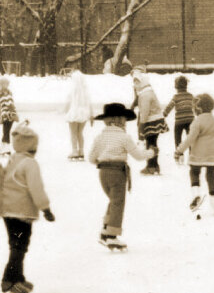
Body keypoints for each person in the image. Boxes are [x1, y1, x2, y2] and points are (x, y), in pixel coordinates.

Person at [87, 102, 156, 250]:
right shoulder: (124, 137)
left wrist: (103, 161)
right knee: (118, 202)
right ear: (119, 120)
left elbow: (91, 158)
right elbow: (138, 155)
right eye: (124, 119)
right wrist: (152, 152)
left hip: (103, 173)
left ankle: (106, 229)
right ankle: (112, 236)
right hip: (118, 172)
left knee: (113, 201)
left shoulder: (100, 137)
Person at [0, 123, 54, 293]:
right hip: (21, 212)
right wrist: (45, 208)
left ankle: (18, 277)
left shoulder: (13, 160)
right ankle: (9, 280)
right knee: (19, 246)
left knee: (15, 245)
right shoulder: (30, 163)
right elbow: (36, 188)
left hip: (7, 211)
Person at [177, 94, 214, 218]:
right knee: (211, 174)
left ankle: (196, 193)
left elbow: (190, 139)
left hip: (198, 154)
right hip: (212, 154)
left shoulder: (197, 122)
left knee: (194, 172)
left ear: (199, 108)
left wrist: (179, 150)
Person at [131, 70, 167, 175]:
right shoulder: (145, 92)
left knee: (150, 144)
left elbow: (145, 111)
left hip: (152, 121)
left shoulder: (146, 94)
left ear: (143, 82)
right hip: (154, 120)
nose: (135, 84)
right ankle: (154, 165)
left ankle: (151, 166)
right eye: (134, 82)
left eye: (137, 82)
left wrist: (142, 124)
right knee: (152, 144)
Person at [164, 76, 196, 164]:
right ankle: (192, 155)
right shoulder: (190, 96)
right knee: (191, 138)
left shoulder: (176, 97)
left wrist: (164, 115)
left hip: (179, 121)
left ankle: (180, 155)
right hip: (190, 120)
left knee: (177, 138)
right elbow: (196, 105)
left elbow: (169, 107)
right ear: (186, 86)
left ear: (176, 87)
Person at [63, 70, 93, 160]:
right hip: (84, 113)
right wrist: (91, 115)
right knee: (80, 133)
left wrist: (64, 111)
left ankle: (74, 151)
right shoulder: (86, 91)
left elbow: (67, 103)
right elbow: (89, 104)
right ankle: (81, 151)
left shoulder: (73, 90)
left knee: (73, 133)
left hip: (74, 113)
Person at [0, 77, 18, 150]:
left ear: (3, 86)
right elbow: (2, 102)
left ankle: (6, 147)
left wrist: (11, 113)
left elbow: (10, 103)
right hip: (5, 115)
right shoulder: (1, 95)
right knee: (5, 131)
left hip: (9, 115)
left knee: (6, 131)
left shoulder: (7, 94)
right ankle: (3, 144)